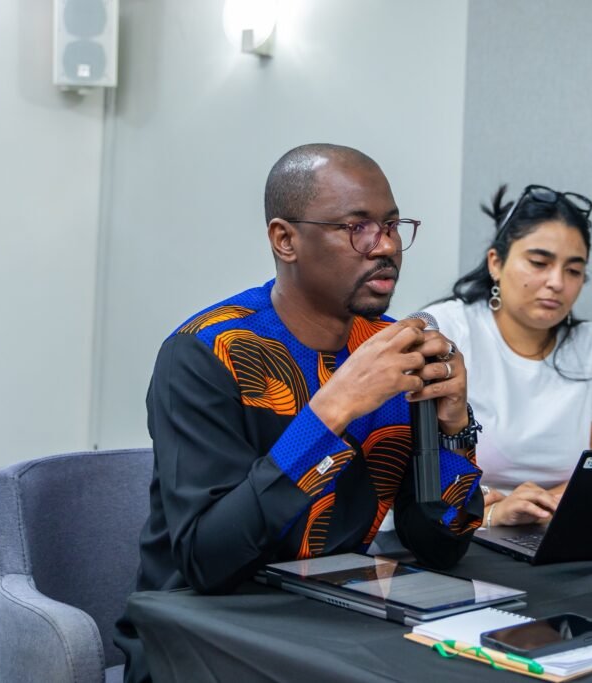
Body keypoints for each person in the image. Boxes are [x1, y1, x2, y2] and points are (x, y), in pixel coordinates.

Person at [115, 144, 485, 682]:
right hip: (206, 637)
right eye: (357, 227)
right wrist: (332, 409)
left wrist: (453, 428)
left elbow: (439, 545)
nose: (384, 247)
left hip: (336, 623)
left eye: (391, 225)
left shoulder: (392, 348)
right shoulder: (204, 354)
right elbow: (208, 559)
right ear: (285, 240)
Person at [424, 184, 592, 529]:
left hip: (558, 526)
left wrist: (533, 507)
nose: (556, 282)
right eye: (539, 262)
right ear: (496, 262)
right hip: (455, 533)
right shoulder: (449, 330)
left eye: (573, 270)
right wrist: (491, 514)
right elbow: (415, 475)